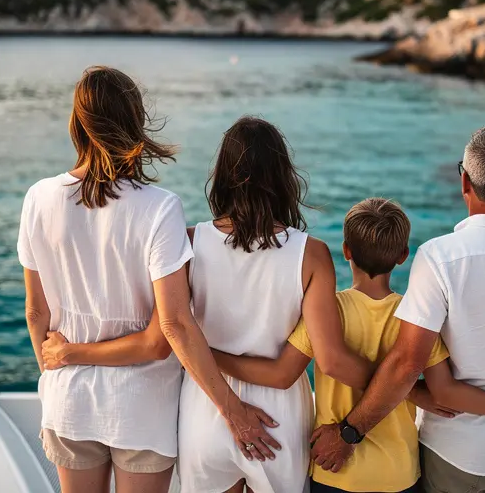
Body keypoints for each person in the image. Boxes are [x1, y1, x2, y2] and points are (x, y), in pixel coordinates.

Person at [45, 115, 374, 493]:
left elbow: (170, 331)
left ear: (223, 177)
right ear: (284, 176)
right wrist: (400, 387)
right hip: (279, 418)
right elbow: (330, 358)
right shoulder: (311, 254)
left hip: (206, 410)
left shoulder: (189, 243)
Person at [308, 126, 485, 493]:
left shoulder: (440, 258)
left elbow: (408, 365)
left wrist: (350, 432)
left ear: (464, 182)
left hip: (459, 455)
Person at [212, 198, 485, 493]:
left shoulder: (326, 312)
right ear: (403, 256)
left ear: (346, 250)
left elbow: (281, 372)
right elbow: (440, 392)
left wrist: (208, 355)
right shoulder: (416, 319)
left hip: (334, 471)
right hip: (398, 475)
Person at [19, 66, 192, 493]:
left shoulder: (39, 197)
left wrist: (59, 369)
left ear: (77, 123)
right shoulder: (160, 208)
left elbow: (36, 312)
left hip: (68, 401)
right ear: (135, 122)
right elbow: (158, 341)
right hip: (142, 407)